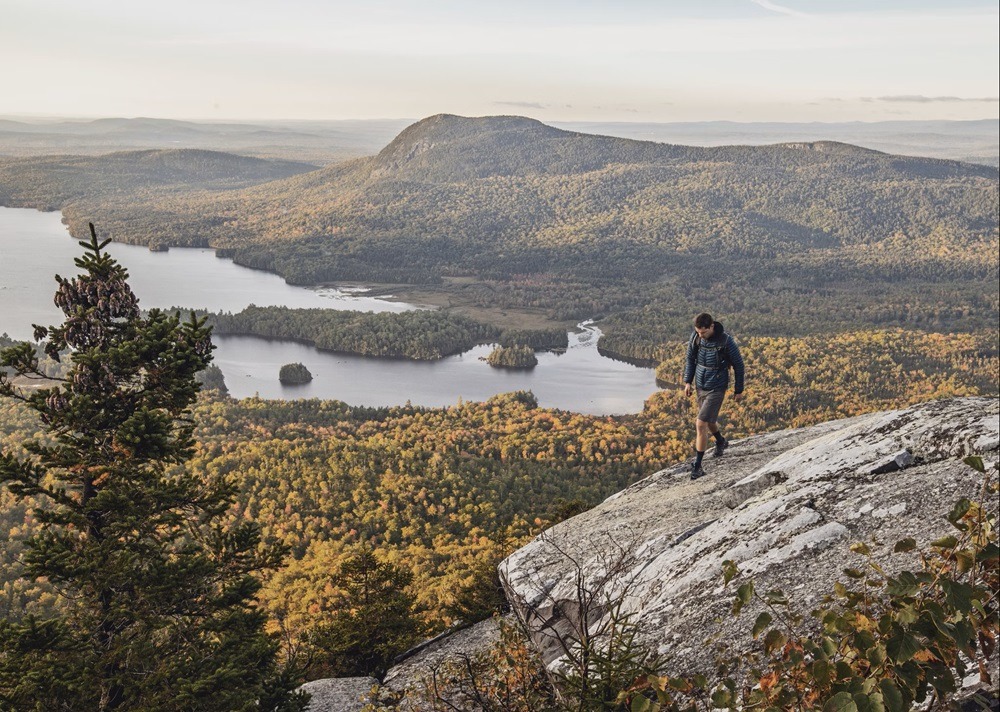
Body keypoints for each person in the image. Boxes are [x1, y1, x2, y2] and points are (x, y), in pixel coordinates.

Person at [682, 313, 745, 480]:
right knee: (709, 421)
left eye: (703, 332)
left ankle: (697, 466)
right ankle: (720, 441)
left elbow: (739, 365)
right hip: (700, 385)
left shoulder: (726, 341)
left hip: (717, 386)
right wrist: (688, 381)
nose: (700, 335)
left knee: (700, 423)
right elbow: (690, 359)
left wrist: (738, 390)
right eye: (698, 332)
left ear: (711, 326)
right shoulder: (696, 337)